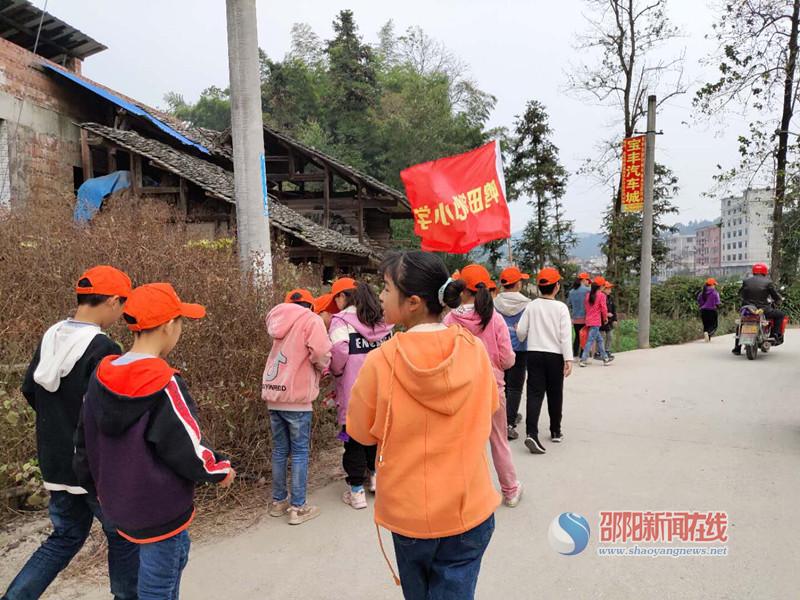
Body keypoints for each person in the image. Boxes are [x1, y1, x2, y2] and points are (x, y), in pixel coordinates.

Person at [347, 251, 499, 600]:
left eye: (385, 288)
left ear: (413, 302)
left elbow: (359, 431)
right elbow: (490, 406)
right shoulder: (473, 350)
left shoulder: (381, 360)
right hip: (469, 509)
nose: (380, 296)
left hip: (411, 515)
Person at [74, 283, 236, 600]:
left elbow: (84, 439)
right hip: (159, 508)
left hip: (118, 501)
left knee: (168, 560)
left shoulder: (101, 374)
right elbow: (186, 444)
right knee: (158, 587)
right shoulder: (164, 381)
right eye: (180, 323)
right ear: (167, 326)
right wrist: (219, 470)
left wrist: (96, 488)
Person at [3, 266, 139, 600]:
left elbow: (30, 389)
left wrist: (59, 426)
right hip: (93, 466)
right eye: (122, 304)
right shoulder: (102, 347)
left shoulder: (52, 335)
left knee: (65, 536)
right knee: (123, 536)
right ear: (110, 300)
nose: (121, 313)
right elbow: (107, 412)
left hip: (56, 461)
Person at [444, 264, 523, 507]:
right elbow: (508, 358)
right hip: (492, 389)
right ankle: (510, 491)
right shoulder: (494, 318)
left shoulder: (450, 319)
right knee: (499, 441)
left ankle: (466, 495)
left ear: (461, 290)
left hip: (460, 392)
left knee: (464, 445)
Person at [262, 289, 332, 525]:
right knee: (300, 452)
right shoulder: (311, 320)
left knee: (280, 450)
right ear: (311, 305)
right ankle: (298, 507)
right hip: (298, 397)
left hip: (274, 394)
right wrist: (321, 368)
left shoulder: (278, 319)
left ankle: (278, 501)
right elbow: (321, 352)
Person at [326, 277, 393, 510]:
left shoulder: (340, 322)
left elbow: (339, 352)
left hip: (353, 390)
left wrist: (336, 372)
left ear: (343, 297)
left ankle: (356, 492)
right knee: (376, 435)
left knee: (352, 440)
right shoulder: (380, 320)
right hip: (381, 388)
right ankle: (375, 479)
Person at [515, 267, 574, 454]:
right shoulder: (561, 308)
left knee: (534, 394)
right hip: (554, 355)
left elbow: (521, 332)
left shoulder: (531, 306)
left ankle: (531, 433)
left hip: (533, 354)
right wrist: (568, 359)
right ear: (556, 287)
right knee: (555, 393)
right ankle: (555, 431)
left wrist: (524, 335)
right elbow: (565, 336)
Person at [495, 266, 532, 441]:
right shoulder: (527, 304)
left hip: (498, 348)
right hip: (520, 349)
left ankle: (502, 417)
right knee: (515, 387)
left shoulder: (494, 303)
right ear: (517, 284)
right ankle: (509, 423)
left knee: (501, 385)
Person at [733, 263, 786, 354]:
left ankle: (737, 348)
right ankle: (775, 335)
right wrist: (778, 300)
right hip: (763, 310)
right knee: (780, 315)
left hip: (748, 308)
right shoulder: (768, 282)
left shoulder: (746, 281)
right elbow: (775, 295)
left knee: (742, 322)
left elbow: (740, 294)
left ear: (753, 271)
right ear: (764, 271)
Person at [580, 277, 613, 367]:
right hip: (596, 321)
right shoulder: (602, 295)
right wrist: (605, 318)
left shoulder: (588, 295)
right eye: (603, 285)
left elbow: (586, 307)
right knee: (590, 340)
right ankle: (583, 359)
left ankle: (605, 358)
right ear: (601, 286)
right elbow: (603, 308)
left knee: (599, 339)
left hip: (589, 320)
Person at [567, 272, 591, 360]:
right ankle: (582, 355)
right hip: (585, 318)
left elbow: (568, 304)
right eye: (587, 280)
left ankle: (575, 355)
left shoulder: (571, 292)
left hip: (575, 318)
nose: (588, 281)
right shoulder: (587, 290)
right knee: (585, 336)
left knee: (577, 336)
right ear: (583, 280)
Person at [697, 278, 721, 342]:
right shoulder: (715, 293)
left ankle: (706, 334)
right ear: (712, 285)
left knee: (706, 324)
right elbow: (718, 303)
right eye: (714, 285)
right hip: (712, 310)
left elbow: (699, 302)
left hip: (703, 311)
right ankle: (709, 333)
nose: (715, 286)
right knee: (714, 325)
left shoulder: (701, 293)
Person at [600, 281, 618, 357]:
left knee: (610, 336)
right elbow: (597, 310)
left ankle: (607, 350)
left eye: (610, 289)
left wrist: (615, 319)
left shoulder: (610, 298)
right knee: (601, 337)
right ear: (604, 289)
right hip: (601, 321)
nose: (610, 291)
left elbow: (614, 310)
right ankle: (600, 352)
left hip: (609, 322)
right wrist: (606, 314)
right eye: (608, 289)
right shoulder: (599, 297)